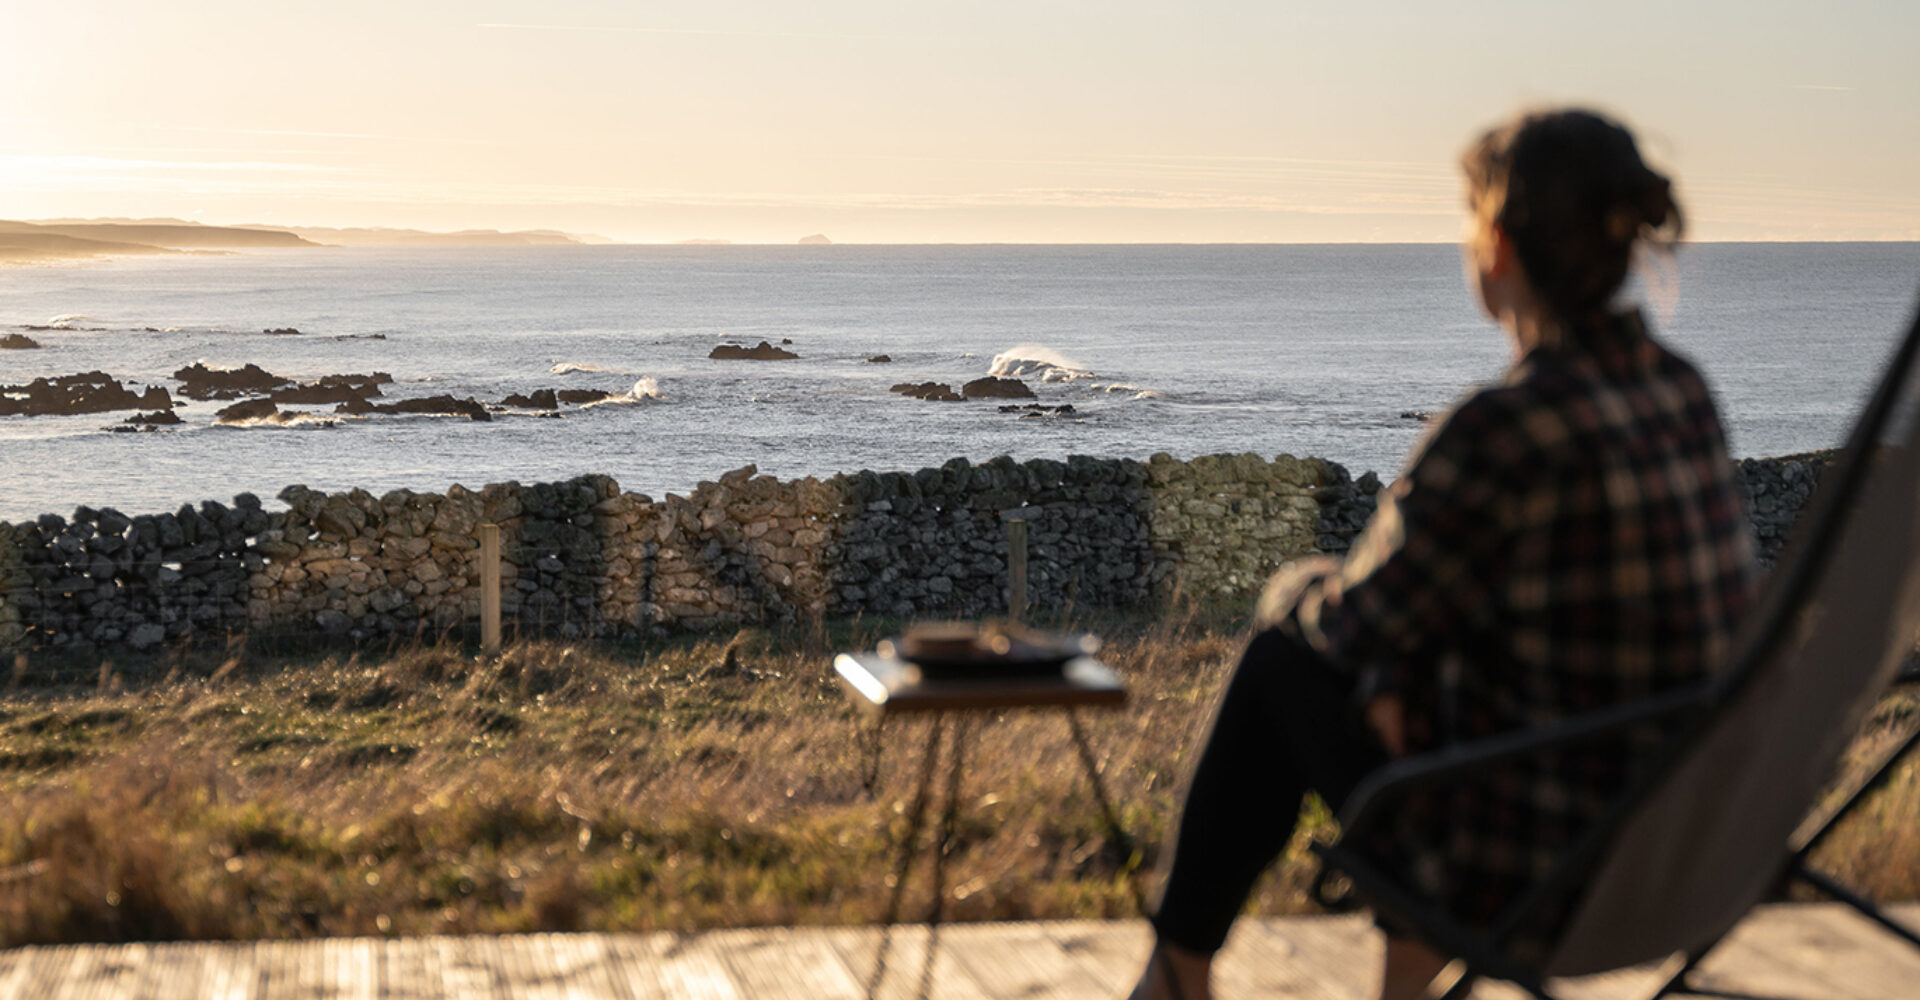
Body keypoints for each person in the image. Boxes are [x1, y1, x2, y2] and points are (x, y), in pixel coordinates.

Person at [1126, 108, 1759, 1000]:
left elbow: (1354, 626)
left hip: (1528, 865)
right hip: (1682, 853)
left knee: (1281, 652)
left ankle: (1176, 976)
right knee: (1396, 660)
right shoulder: (1681, 391)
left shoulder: (1503, 427)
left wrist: (1299, 590)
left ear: (1496, 246)